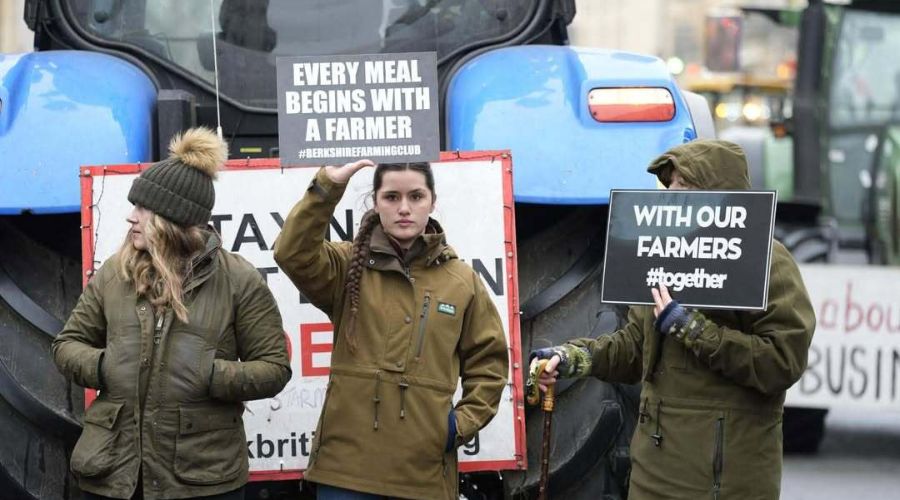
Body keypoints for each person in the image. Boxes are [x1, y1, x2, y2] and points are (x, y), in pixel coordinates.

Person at [530, 139, 816, 500]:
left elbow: (781, 363)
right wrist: (573, 356)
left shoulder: (767, 261)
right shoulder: (659, 255)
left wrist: (692, 328)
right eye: (671, 186)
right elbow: (634, 348)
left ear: (720, 195)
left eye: (686, 185)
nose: (671, 196)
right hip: (655, 470)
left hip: (726, 478)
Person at [52, 127, 292, 500]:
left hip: (201, 479)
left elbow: (274, 368)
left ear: (172, 219)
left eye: (142, 209)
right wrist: (104, 366)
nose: (131, 218)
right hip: (114, 473)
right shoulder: (115, 273)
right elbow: (67, 345)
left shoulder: (238, 280)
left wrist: (211, 374)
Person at [273, 160, 509, 499]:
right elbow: (291, 252)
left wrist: (457, 426)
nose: (404, 208)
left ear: (433, 201)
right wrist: (327, 187)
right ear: (375, 201)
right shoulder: (346, 266)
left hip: (423, 474)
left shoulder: (462, 282)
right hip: (345, 472)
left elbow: (489, 365)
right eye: (391, 197)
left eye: (416, 196)